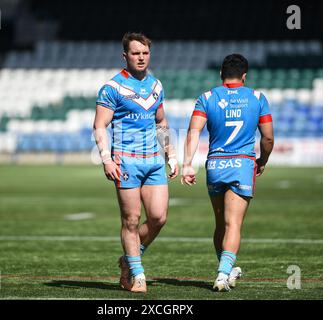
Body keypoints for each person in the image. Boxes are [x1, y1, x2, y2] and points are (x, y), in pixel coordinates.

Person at [93, 32, 179, 293]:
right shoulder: (113, 87)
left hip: (153, 161)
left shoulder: (156, 86)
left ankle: (129, 259)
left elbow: (161, 122)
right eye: (135, 53)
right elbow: (99, 125)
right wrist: (106, 159)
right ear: (125, 56)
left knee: (159, 218)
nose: (141, 58)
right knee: (131, 220)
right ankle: (137, 275)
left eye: (145, 53)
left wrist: (171, 155)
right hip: (126, 162)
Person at [181, 54, 274, 292]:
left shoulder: (207, 97)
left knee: (220, 224)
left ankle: (227, 269)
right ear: (244, 76)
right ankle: (223, 274)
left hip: (215, 166)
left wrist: (188, 164)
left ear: (221, 74)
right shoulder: (257, 98)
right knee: (233, 224)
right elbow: (268, 137)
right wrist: (262, 160)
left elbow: (193, 131)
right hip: (241, 165)